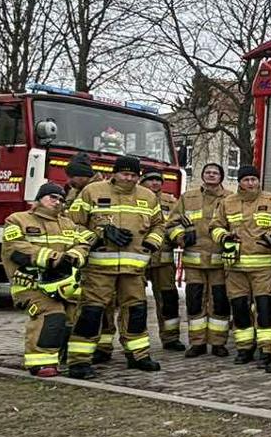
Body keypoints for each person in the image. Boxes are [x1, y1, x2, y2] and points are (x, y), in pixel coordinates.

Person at [65, 155, 168, 377]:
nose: (129, 178)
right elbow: (71, 224)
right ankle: (79, 361)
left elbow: (160, 225)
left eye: (133, 175)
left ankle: (138, 355)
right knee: (91, 313)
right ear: (114, 173)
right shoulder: (93, 191)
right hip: (99, 268)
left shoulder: (148, 196)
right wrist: (98, 235)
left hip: (133, 269)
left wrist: (152, 243)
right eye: (125, 174)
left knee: (136, 312)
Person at [0, 183, 91, 377]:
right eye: (52, 197)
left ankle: (70, 358)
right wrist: (54, 258)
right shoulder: (17, 220)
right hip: (31, 285)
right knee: (52, 313)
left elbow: (83, 244)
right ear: (40, 198)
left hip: (63, 286)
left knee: (78, 316)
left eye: (60, 199)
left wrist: (75, 256)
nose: (57, 202)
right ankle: (41, 362)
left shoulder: (68, 224)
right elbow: (16, 248)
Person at [210, 165, 271, 365]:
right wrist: (224, 237)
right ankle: (244, 349)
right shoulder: (227, 202)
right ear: (239, 182)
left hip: (262, 267)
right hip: (235, 268)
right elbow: (215, 226)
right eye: (246, 180)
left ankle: (267, 350)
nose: (251, 183)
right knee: (239, 308)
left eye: (254, 179)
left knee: (265, 308)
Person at [63, 153, 117, 363]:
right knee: (80, 305)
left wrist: (96, 237)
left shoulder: (96, 191)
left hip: (97, 257)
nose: (69, 181)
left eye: (73, 176)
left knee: (99, 306)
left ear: (83, 176)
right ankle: (81, 346)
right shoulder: (75, 191)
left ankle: (101, 347)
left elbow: (89, 223)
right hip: (78, 255)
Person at [177, 162, 231, 357]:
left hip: (219, 263)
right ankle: (197, 343)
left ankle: (218, 343)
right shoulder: (187, 198)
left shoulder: (230, 199)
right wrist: (181, 236)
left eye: (215, 173)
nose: (211, 175)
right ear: (202, 175)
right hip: (194, 263)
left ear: (221, 177)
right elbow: (172, 223)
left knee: (219, 303)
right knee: (195, 302)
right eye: (208, 172)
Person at [141, 168, 185, 352]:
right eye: (151, 179)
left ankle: (170, 338)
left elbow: (176, 224)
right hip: (138, 259)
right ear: (142, 181)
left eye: (158, 180)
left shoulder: (170, 201)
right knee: (135, 302)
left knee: (168, 299)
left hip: (164, 260)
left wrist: (180, 237)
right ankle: (135, 340)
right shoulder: (133, 198)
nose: (156, 183)